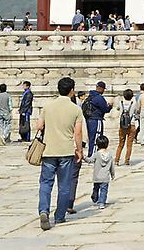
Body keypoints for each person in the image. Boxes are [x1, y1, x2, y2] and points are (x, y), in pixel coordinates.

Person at [36, 77, 83, 230]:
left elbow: (39, 126)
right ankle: (60, 215)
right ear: (72, 91)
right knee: (64, 185)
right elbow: (78, 133)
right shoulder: (75, 109)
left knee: (45, 183)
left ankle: (44, 210)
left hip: (49, 150)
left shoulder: (47, 107)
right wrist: (79, 150)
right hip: (66, 151)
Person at [83, 82, 112, 159]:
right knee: (97, 137)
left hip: (89, 120)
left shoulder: (90, 97)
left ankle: (90, 153)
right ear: (101, 88)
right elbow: (105, 109)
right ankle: (93, 155)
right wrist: (109, 106)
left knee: (91, 138)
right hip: (96, 119)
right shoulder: (99, 98)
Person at [87, 134, 115, 209]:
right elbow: (112, 166)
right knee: (104, 190)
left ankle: (95, 197)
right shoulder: (109, 155)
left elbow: (90, 160)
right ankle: (102, 203)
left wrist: (83, 157)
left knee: (96, 188)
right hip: (105, 177)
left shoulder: (97, 154)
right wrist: (113, 174)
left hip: (97, 176)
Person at [114, 89, 138, 166]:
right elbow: (137, 111)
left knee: (121, 144)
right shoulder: (134, 103)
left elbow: (117, 108)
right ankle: (127, 160)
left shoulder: (121, 102)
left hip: (122, 125)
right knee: (129, 144)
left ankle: (117, 160)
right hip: (131, 124)